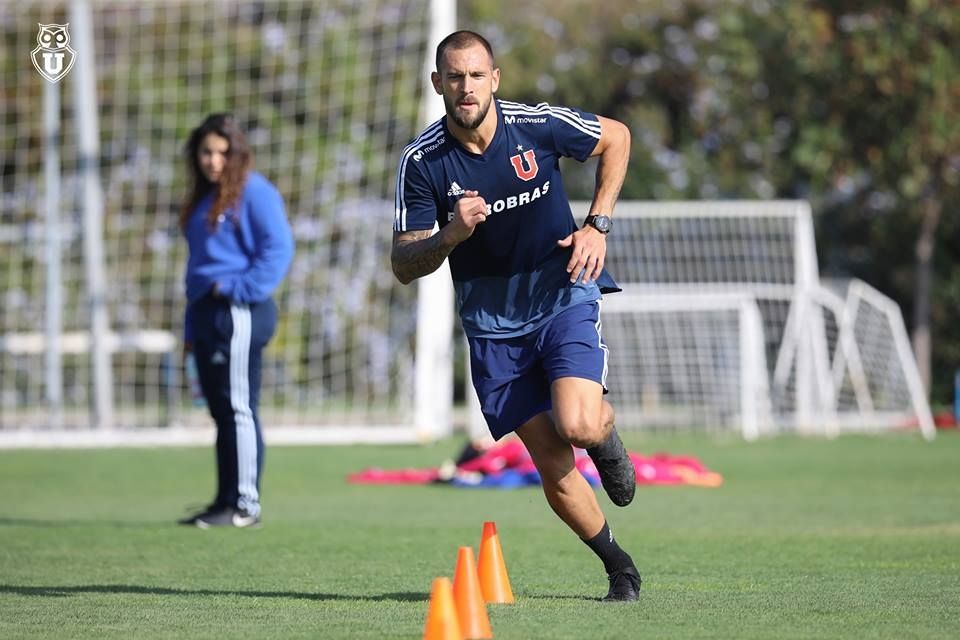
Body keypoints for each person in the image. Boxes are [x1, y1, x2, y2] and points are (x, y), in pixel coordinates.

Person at [391, 31, 640, 601]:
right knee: (553, 464)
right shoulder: (421, 162)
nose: (466, 87)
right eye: (454, 77)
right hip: (492, 327)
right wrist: (452, 232)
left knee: (577, 424)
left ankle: (604, 436)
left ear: (494, 79)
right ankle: (619, 567)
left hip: (562, 294)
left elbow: (618, 138)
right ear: (438, 85)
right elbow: (404, 263)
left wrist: (597, 224)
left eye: (477, 75)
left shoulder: (534, 124)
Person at [176, 113, 294, 529]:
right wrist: (191, 330)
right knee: (221, 411)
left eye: (222, 153)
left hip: (240, 312)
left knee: (240, 407)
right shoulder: (203, 200)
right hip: (206, 314)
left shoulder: (254, 192)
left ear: (236, 153)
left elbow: (278, 249)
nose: (213, 161)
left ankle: (246, 506)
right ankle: (224, 501)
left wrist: (236, 290)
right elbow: (197, 269)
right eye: (206, 152)